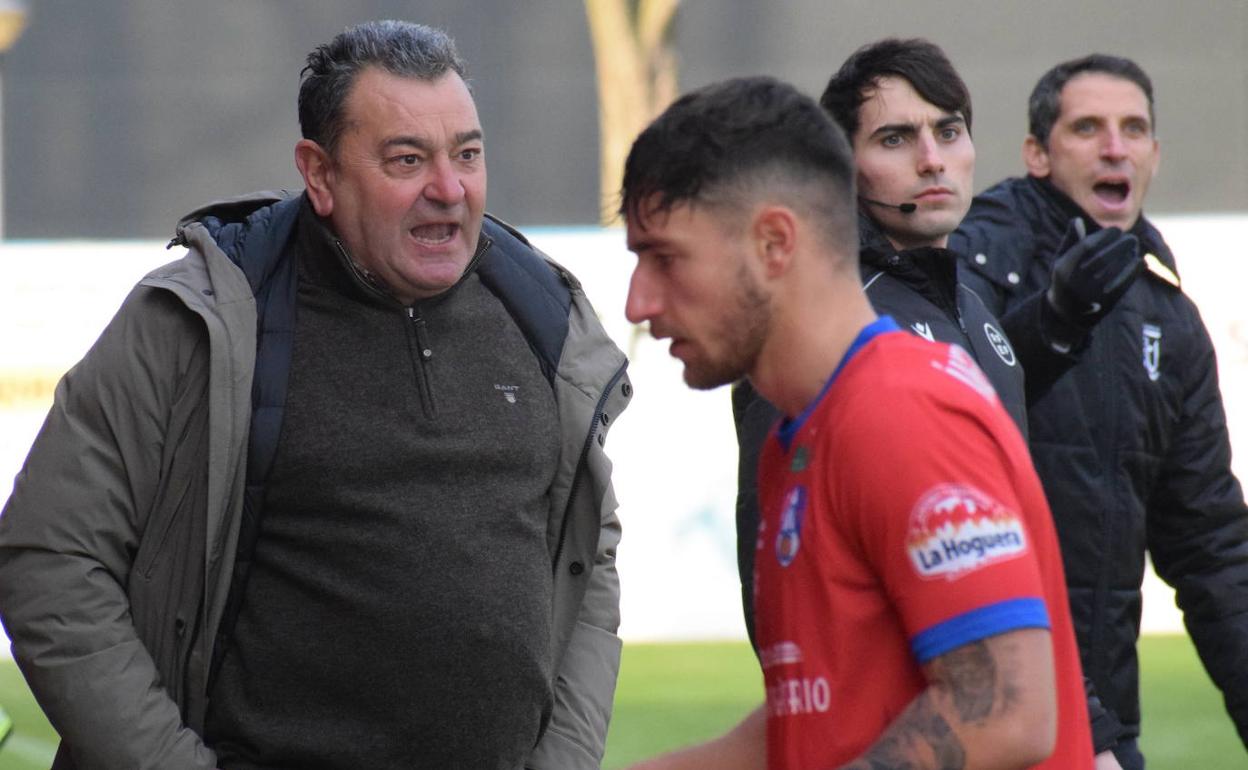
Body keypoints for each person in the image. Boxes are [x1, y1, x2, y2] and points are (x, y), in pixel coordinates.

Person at [0, 20, 631, 770]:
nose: (449, 189)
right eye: (408, 159)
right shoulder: (199, 320)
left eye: (467, 154)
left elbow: (588, 559)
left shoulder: (544, 314)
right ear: (320, 174)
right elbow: (50, 556)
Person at [620, 74, 1092, 769]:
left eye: (664, 258)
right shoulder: (802, 433)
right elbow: (817, 714)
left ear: (774, 243)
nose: (637, 302)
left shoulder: (898, 411)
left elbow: (1004, 714)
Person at [951, 53, 1248, 769]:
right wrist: (1052, 319)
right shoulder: (967, 267)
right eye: (1087, 128)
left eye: (1133, 129)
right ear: (1037, 154)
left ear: (1154, 155)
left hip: (1101, 723)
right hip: (969, 714)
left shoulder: (1170, 318)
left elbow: (1210, 544)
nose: (1115, 147)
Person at [732, 38, 1026, 652]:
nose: (932, 160)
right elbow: (779, 562)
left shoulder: (974, 305)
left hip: (1005, 675)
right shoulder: (813, 318)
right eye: (895, 139)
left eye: (949, 132)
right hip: (897, 697)